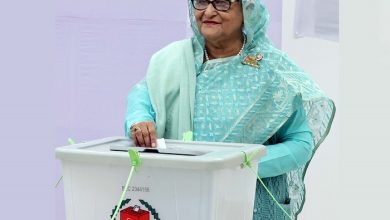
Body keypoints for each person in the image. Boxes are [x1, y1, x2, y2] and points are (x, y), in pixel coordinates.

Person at [124, 0, 335, 219]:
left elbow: (300, 143)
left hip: (251, 200)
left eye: (222, 3)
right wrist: (140, 120)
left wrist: (240, 164)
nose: (208, 11)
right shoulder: (173, 60)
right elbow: (142, 96)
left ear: (248, 10)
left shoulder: (273, 68)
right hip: (182, 197)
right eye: (201, 2)